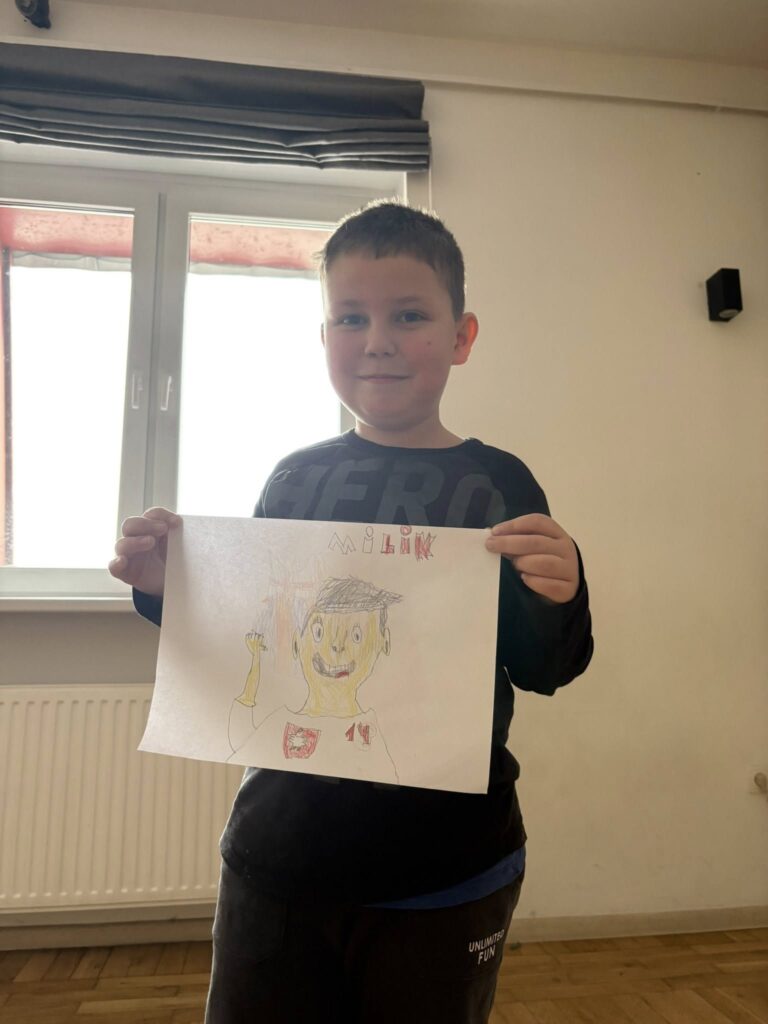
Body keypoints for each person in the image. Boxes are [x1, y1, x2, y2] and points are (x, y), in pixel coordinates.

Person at [109, 200, 594, 1024]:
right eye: (351, 317)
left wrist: (563, 591)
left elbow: (546, 666)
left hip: (448, 869)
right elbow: (252, 641)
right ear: (323, 335)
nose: (377, 340)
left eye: (409, 315)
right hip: (280, 859)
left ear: (462, 336)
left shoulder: (501, 483)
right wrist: (167, 589)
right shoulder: (293, 479)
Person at [227, 576, 401, 782]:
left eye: (356, 636)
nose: (337, 646)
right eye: (319, 632)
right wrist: (255, 661)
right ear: (296, 643)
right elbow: (242, 745)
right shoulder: (283, 724)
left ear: (383, 642)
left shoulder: (370, 733)